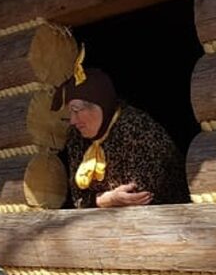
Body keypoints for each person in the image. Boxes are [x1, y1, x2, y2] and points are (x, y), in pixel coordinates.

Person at [52, 61, 190, 208]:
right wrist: (106, 200)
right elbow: (78, 198)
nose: (73, 120)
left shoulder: (136, 128)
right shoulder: (76, 138)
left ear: (100, 105)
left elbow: (141, 195)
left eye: (77, 109)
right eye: (70, 112)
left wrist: (103, 200)